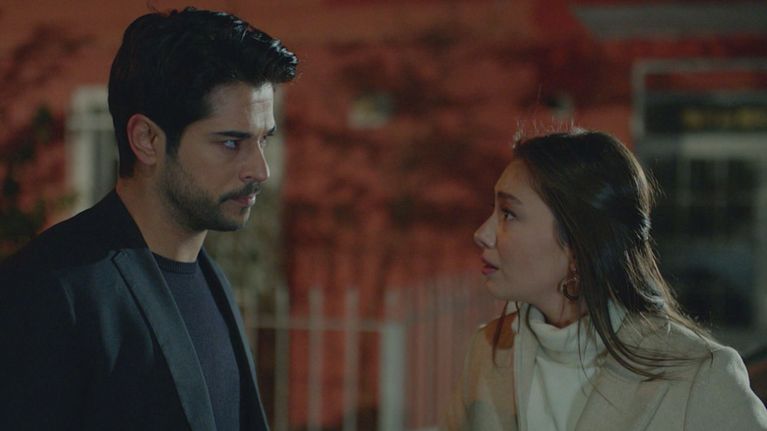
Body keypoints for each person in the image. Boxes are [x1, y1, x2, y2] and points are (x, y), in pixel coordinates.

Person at [0, 7, 297, 431]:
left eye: (264, 140)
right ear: (147, 140)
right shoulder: (52, 290)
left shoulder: (211, 279)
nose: (260, 169)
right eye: (232, 143)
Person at [442, 130, 767, 430]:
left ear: (577, 244)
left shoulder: (700, 376)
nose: (482, 234)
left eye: (508, 214)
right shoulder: (488, 354)